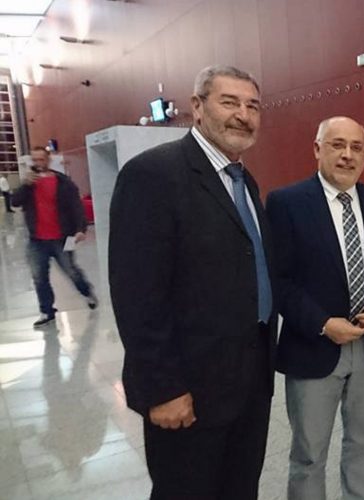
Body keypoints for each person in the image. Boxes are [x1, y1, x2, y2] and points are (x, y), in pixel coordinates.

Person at [108, 65, 276, 500]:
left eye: (253, 106)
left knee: (240, 489)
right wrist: (163, 388)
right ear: (197, 107)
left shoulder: (245, 181)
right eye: (229, 102)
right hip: (188, 392)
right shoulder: (153, 175)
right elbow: (136, 294)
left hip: (247, 384)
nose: (243, 115)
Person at [266, 116, 364, 500]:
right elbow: (278, 279)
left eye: (356, 147)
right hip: (314, 346)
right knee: (309, 454)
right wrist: (323, 323)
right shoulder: (286, 203)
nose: (347, 155)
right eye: (337, 145)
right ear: (317, 149)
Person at [11, 146, 97, 327]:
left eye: (41, 159)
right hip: (37, 240)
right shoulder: (29, 184)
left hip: (62, 238)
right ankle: (47, 311)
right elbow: (15, 202)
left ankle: (87, 293)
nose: (38, 163)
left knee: (71, 271)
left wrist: (80, 228)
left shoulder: (63, 182)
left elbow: (76, 206)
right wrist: (25, 185)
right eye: (34, 160)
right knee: (39, 277)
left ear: (48, 160)